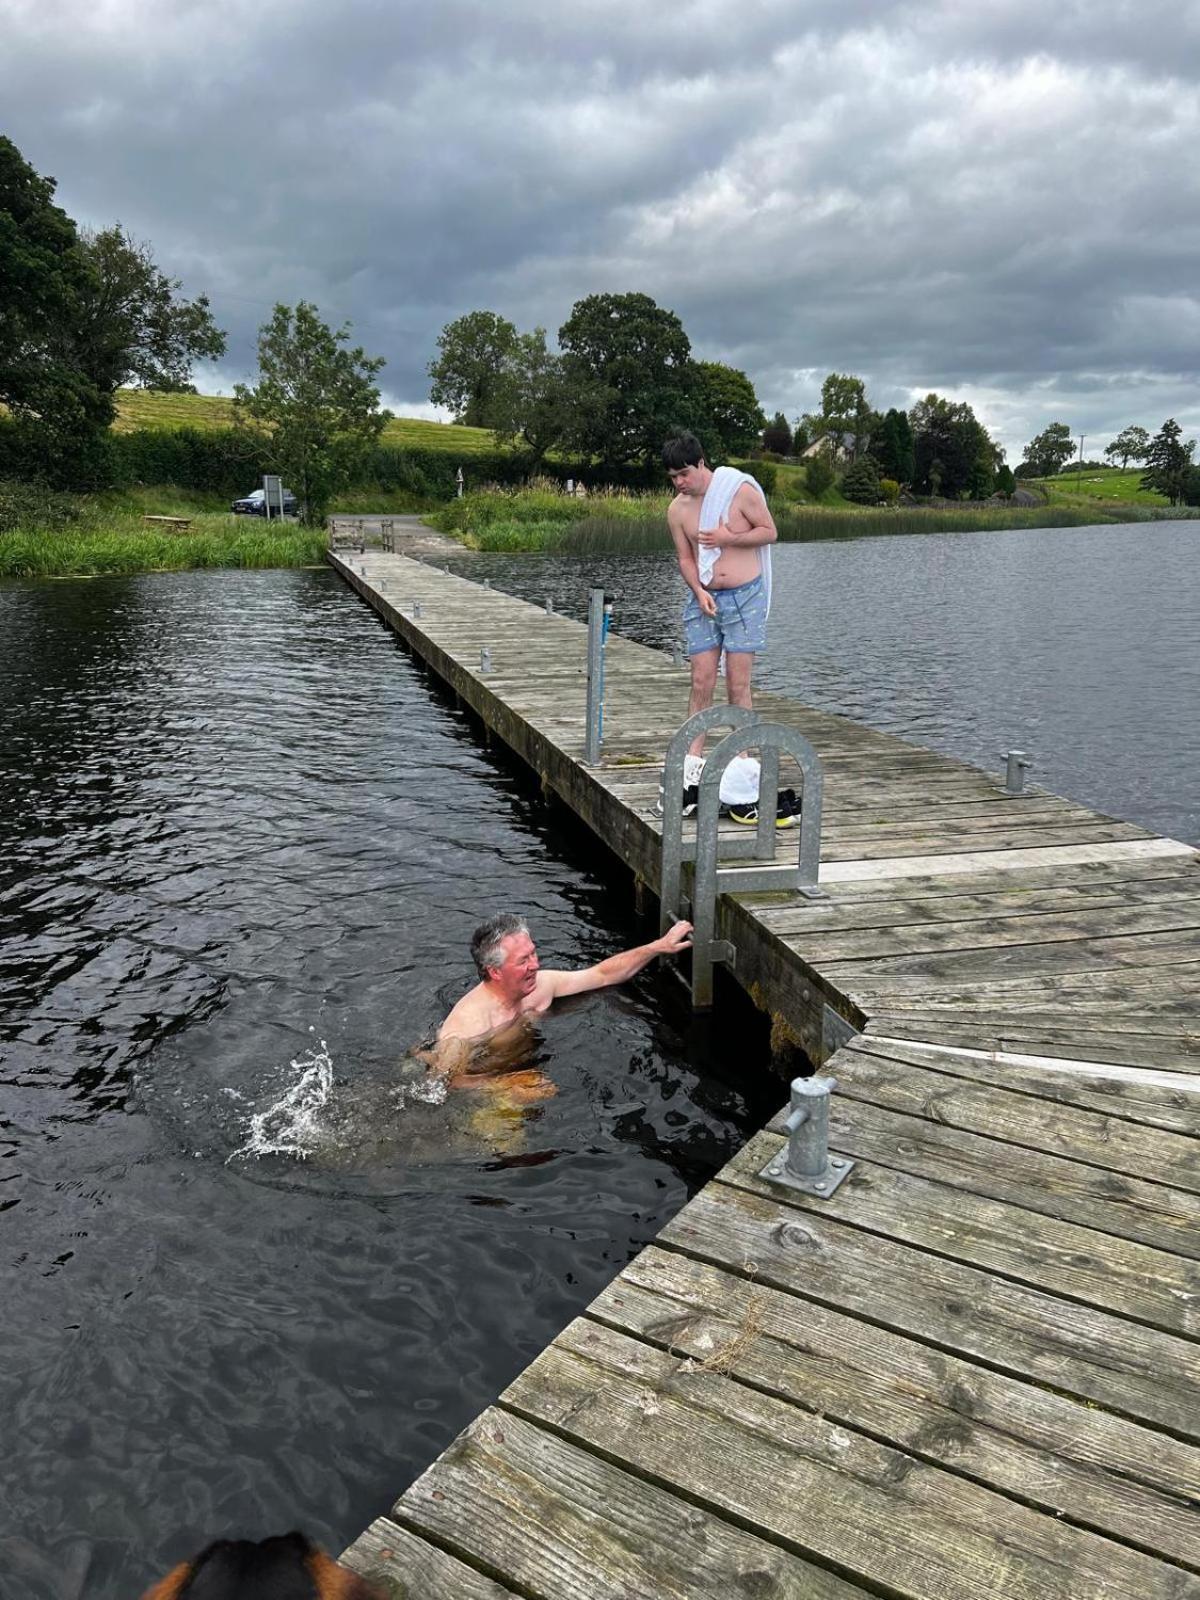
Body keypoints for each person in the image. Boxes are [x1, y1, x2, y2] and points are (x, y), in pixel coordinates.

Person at [663, 432, 793, 824]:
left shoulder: (738, 490)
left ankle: (742, 771)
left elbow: (769, 531)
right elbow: (686, 558)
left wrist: (727, 538)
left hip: (744, 597)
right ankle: (691, 769)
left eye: (684, 473)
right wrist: (697, 591)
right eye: (673, 477)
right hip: (703, 600)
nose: (680, 482)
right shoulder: (677, 510)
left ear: (701, 462)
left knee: (738, 684)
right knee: (701, 680)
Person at [431, 913, 693, 1075]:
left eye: (534, 953)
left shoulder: (542, 985)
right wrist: (506, 1087)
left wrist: (657, 947)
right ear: (495, 972)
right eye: (524, 960)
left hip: (527, 1070)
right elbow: (445, 1082)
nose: (535, 964)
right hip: (496, 1082)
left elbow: (603, 975)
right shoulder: (468, 1025)